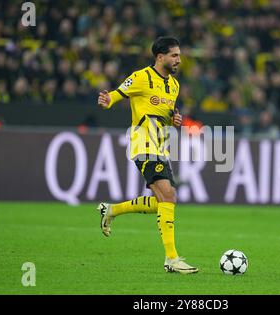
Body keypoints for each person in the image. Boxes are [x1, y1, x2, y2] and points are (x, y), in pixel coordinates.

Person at [96, 37, 198, 274]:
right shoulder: (141, 77)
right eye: (174, 55)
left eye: (179, 55)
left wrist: (175, 120)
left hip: (161, 147)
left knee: (165, 201)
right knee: (169, 195)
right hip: (143, 144)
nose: (179, 60)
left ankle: (111, 210)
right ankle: (171, 259)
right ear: (160, 57)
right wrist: (107, 100)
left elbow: (167, 115)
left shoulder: (174, 85)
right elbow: (117, 94)